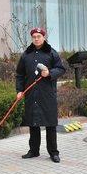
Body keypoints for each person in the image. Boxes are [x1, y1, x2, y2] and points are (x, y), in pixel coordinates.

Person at [16, 28, 66, 163]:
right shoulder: (26, 54)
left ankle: (53, 153)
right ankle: (34, 150)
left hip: (47, 94)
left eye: (38, 36)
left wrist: (49, 73)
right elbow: (20, 74)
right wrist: (19, 90)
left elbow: (61, 69)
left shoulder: (51, 52)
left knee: (50, 124)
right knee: (33, 123)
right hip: (31, 94)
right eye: (34, 37)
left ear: (43, 37)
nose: (36, 39)